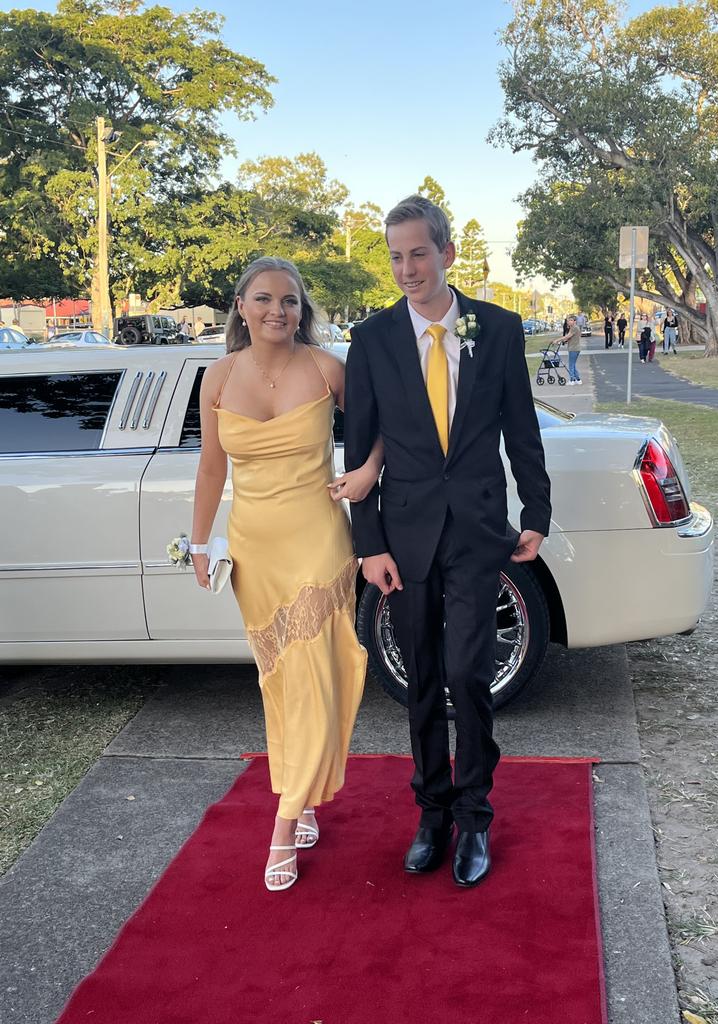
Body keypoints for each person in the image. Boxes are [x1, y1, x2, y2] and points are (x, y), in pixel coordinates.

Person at [344, 196, 551, 888]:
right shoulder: (371, 339)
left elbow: (521, 429)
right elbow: (361, 447)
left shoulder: (498, 328)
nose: (407, 268)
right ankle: (431, 812)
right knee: (420, 680)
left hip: (476, 529)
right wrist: (367, 543)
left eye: (419, 253)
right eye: (397, 255)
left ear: (447, 253)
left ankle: (474, 818)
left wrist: (538, 513)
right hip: (403, 534)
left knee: (469, 673)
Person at [191, 256, 383, 892]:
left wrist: (368, 470)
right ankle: (301, 788)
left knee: (313, 676)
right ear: (240, 306)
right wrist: (198, 542)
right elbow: (212, 471)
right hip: (254, 553)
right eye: (265, 298)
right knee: (281, 681)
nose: (279, 310)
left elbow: (380, 431)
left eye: (291, 301)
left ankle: (284, 818)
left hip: (318, 540)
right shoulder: (217, 378)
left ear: (304, 310)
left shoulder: (329, 369)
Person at [562, 314, 583, 384]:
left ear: (575, 321)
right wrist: (565, 341)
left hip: (574, 349)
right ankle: (578, 379)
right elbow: (570, 338)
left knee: (571, 365)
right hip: (574, 348)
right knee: (573, 364)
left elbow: (567, 336)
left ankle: (572, 380)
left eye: (571, 320)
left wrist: (557, 340)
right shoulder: (572, 328)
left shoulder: (574, 328)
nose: (569, 322)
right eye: (568, 321)